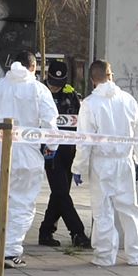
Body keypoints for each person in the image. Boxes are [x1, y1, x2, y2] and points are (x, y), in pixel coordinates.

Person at [0, 51, 59, 269]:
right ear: (33, 67)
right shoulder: (38, 89)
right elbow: (50, 122)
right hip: (28, 153)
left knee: (1, 201)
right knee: (24, 203)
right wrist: (52, 147)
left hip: (1, 149)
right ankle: (11, 252)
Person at [71, 59, 138, 267]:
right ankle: (136, 254)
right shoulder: (128, 100)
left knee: (102, 210)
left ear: (92, 80)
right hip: (125, 162)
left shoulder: (89, 104)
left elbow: (84, 140)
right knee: (129, 208)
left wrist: (78, 167)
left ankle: (105, 255)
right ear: (111, 75)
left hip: (101, 163)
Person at [38, 61, 91, 248]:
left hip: (68, 149)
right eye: (52, 81)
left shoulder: (71, 94)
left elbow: (81, 122)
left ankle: (46, 231)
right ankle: (78, 232)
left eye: (59, 83)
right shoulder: (40, 92)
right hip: (50, 150)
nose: (54, 86)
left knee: (60, 193)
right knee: (61, 192)